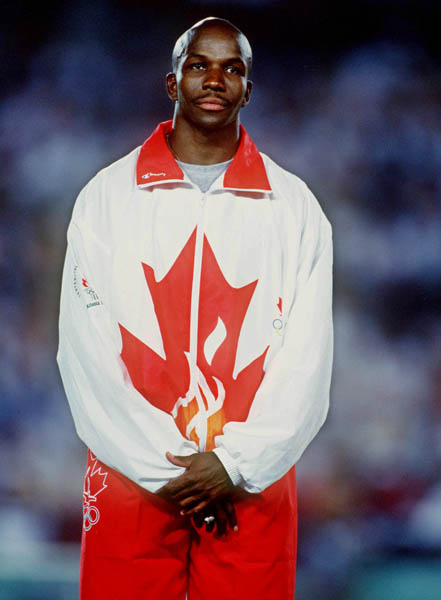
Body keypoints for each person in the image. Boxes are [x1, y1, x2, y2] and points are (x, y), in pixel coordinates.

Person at [57, 16, 333, 600]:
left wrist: (233, 466)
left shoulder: (295, 207)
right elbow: (84, 352)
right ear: (171, 82)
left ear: (248, 89)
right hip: (130, 475)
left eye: (232, 68)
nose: (215, 79)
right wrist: (173, 472)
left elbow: (308, 365)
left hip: (251, 482)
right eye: (199, 65)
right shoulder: (108, 196)